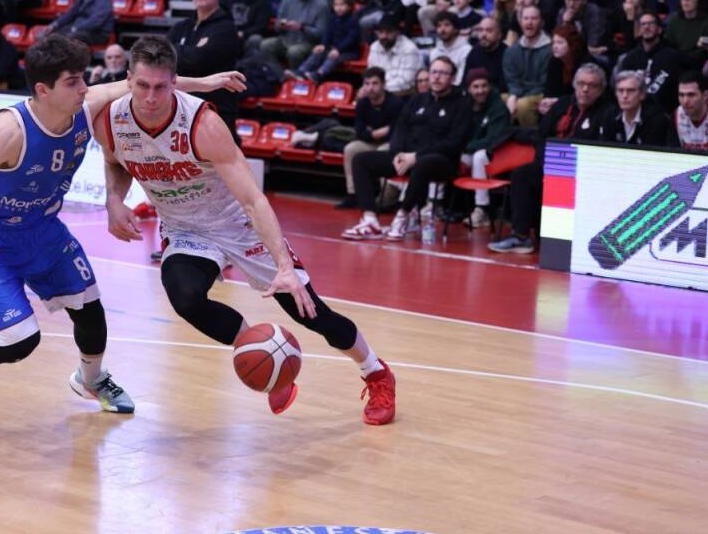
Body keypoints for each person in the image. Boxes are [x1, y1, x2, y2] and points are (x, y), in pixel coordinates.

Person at [0, 34, 247, 422]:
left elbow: (141, 84)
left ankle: (91, 379)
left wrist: (205, 83)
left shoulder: (84, 107)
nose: (86, 88)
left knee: (91, 312)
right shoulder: (8, 132)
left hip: (44, 229)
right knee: (20, 341)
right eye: (74, 82)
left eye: (84, 79)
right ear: (43, 90)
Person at [98, 36, 396, 425]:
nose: (151, 97)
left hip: (237, 223)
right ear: (128, 80)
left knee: (310, 312)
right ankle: (269, 358)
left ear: (174, 82)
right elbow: (116, 162)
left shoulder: (202, 124)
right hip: (186, 228)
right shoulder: (111, 119)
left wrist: (283, 266)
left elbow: (254, 199)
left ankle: (375, 371)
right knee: (185, 296)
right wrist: (113, 200)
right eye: (142, 86)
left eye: (160, 87)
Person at [342, 56, 472, 242]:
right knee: (361, 160)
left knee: (424, 164)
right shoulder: (417, 100)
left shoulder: (462, 104)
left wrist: (416, 156)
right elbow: (400, 129)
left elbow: (454, 143)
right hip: (407, 157)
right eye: (434, 72)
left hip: (442, 162)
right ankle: (370, 220)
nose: (436, 77)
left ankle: (401, 217)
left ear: (452, 78)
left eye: (443, 73)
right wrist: (397, 154)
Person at [489, 63, 611, 254]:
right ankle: (521, 236)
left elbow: (603, 151)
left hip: (583, 174)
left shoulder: (607, 113)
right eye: (581, 83)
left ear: (602, 89)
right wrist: (550, 162)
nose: (585, 89)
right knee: (522, 174)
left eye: (592, 85)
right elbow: (541, 136)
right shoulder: (562, 105)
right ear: (574, 84)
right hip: (551, 167)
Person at [167, 0, 242, 137]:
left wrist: (176, 51)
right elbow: (160, 56)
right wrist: (188, 51)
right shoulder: (182, 26)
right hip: (180, 112)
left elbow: (198, 61)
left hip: (215, 113)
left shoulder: (226, 28)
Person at [336, 67, 404, 209]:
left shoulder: (396, 103)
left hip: (390, 144)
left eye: (375, 83)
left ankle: (384, 199)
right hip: (370, 142)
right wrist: (377, 133)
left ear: (383, 84)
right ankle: (353, 194)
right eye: (367, 84)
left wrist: (375, 132)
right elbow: (360, 132)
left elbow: (395, 131)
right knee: (351, 148)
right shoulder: (362, 103)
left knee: (382, 151)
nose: (370, 88)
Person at [461, 68, 510, 228]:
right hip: (469, 150)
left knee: (479, 156)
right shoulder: (464, 105)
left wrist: (465, 146)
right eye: (475, 87)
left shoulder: (498, 107)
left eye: (484, 86)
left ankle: (481, 209)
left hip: (496, 153)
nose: (480, 90)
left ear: (489, 86)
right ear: (469, 88)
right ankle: (434, 202)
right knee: (442, 154)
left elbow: (493, 140)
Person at [602, 70, 674, 146]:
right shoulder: (610, 115)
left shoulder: (657, 119)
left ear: (642, 94)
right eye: (620, 90)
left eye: (631, 90)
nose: (625, 96)